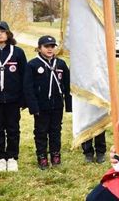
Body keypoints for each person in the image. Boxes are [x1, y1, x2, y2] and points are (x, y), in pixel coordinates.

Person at [0, 21, 29, 173]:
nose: (0, 34)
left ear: (8, 33)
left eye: (2, 31)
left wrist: (23, 99)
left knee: (13, 128)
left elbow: (25, 77)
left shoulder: (17, 52)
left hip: (13, 99)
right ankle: (1, 158)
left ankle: (12, 157)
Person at [24, 36, 72, 170]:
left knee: (56, 130)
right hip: (41, 106)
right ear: (39, 48)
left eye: (52, 46)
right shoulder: (33, 64)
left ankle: (55, 154)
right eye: (46, 46)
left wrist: (68, 105)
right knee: (41, 131)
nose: (50, 49)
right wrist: (33, 107)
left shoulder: (61, 64)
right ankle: (42, 156)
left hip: (57, 104)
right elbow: (28, 88)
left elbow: (67, 85)